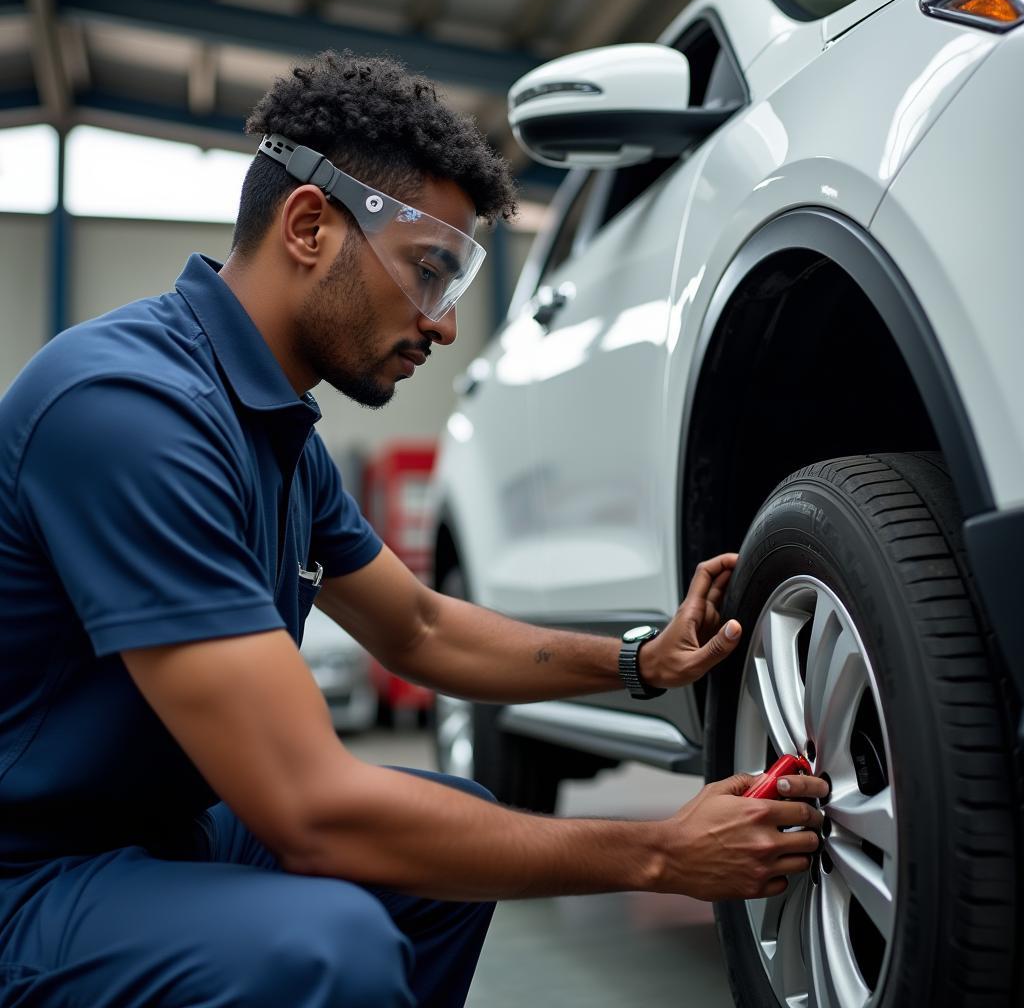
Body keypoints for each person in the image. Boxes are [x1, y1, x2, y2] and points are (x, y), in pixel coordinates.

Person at [0, 51, 827, 1007]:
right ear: (309, 225)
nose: (441, 325)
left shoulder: (276, 440)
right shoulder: (129, 409)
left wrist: (642, 662)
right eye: (428, 271)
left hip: (157, 833)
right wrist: (657, 853)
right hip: (32, 872)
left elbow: (420, 629)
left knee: (447, 839)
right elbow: (309, 811)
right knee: (326, 948)